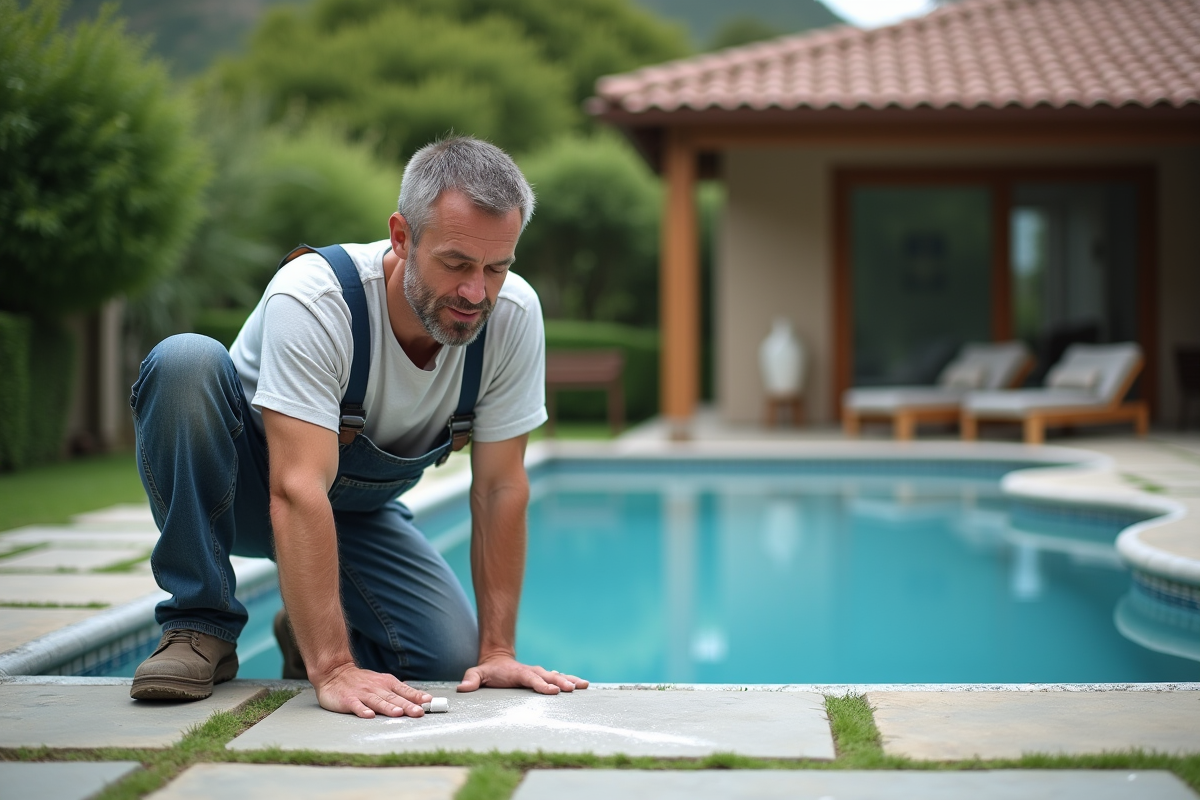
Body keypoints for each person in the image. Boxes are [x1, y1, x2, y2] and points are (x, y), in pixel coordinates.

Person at [128, 136, 587, 717]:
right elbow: (295, 488)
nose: (477, 292)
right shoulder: (318, 298)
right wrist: (334, 670)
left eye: (497, 267)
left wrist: (497, 650)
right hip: (244, 488)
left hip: (357, 514)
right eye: (456, 264)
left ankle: (307, 626)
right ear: (401, 236)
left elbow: (500, 487)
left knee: (446, 660)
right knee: (184, 362)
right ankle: (200, 627)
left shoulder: (513, 316)